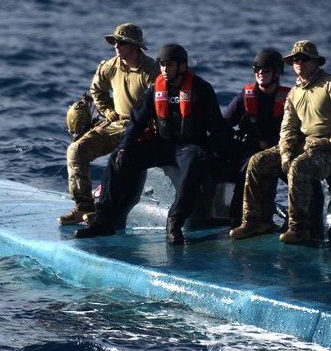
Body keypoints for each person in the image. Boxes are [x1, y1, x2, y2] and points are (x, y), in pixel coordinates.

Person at [76, 44, 230, 245]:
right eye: (162, 65)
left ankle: (175, 221)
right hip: (161, 145)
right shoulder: (154, 90)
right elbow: (135, 123)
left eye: (169, 65)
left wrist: (213, 153)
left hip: (188, 147)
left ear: (182, 67)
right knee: (118, 157)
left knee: (195, 158)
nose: (165, 69)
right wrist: (124, 147)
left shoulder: (201, 89)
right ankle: (103, 219)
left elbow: (217, 127)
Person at [230, 40, 331, 244]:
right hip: (304, 144)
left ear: (316, 62)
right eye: (295, 60)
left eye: (304, 59)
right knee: (257, 162)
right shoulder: (294, 92)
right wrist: (286, 152)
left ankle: (299, 228)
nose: (299, 63)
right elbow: (288, 126)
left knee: (299, 167)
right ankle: (255, 221)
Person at [58, 23, 160, 225]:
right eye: (115, 42)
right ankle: (84, 207)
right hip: (117, 124)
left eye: (121, 42)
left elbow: (159, 103)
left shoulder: (151, 71)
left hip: (143, 128)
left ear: (134, 45)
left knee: (120, 160)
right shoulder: (110, 67)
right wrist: (108, 111)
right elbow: (97, 90)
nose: (116, 46)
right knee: (76, 150)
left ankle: (107, 210)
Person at [222, 49, 290, 227]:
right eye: (257, 69)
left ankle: (299, 220)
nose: (260, 73)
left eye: (266, 70)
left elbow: (299, 129)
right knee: (248, 167)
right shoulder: (245, 96)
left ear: (277, 73)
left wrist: (270, 143)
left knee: (298, 173)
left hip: (280, 150)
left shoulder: (290, 98)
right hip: (250, 149)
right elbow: (223, 125)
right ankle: (238, 218)